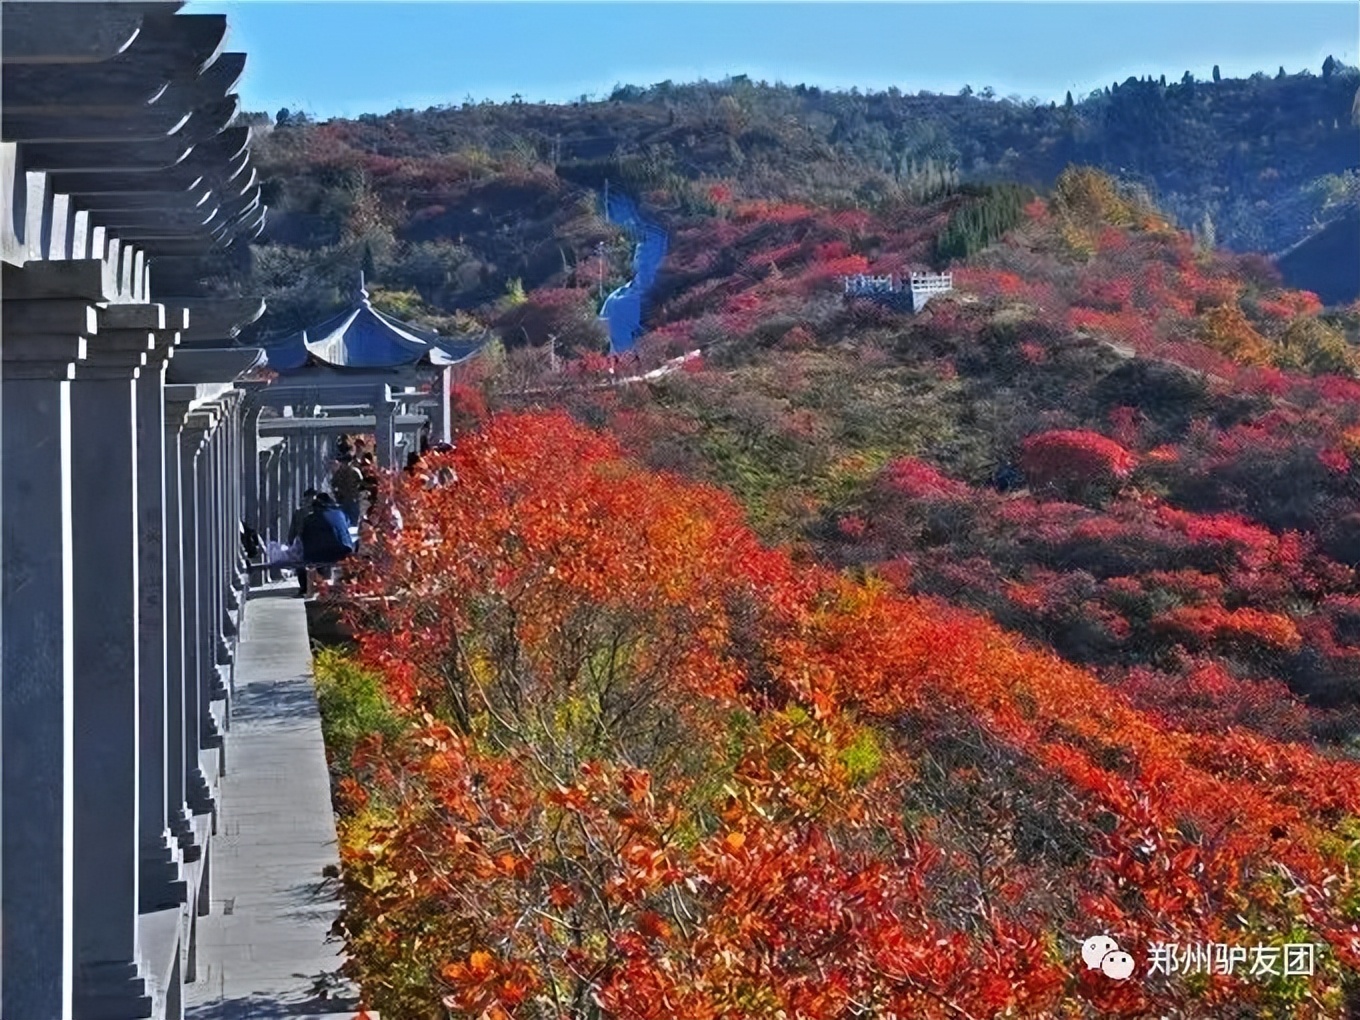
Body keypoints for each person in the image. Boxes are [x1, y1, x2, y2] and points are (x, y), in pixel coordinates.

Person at [296, 492, 356, 597]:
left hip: (317, 555)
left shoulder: (308, 519)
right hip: (343, 552)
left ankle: (305, 589)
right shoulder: (340, 514)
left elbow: (303, 538)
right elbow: (347, 526)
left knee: (302, 562)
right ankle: (349, 584)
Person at [331, 454, 365, 527]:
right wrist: (337, 494)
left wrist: (359, 493)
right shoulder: (339, 473)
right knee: (344, 517)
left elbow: (362, 483)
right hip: (343, 499)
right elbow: (334, 484)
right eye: (343, 463)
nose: (345, 465)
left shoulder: (355, 472)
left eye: (346, 462)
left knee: (354, 517)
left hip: (353, 498)